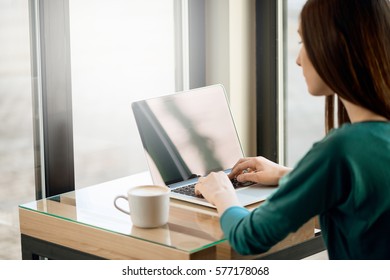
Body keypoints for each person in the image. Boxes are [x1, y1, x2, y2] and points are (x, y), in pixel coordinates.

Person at [195, 0, 390, 260]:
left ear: (335, 46)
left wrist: (221, 193)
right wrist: (291, 175)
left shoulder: (342, 149)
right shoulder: (367, 144)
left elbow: (249, 237)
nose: (298, 60)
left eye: (303, 43)